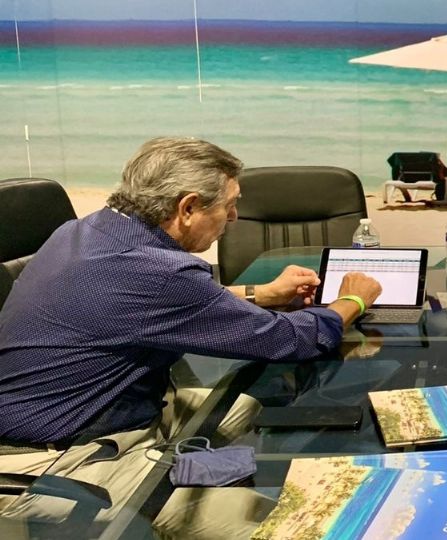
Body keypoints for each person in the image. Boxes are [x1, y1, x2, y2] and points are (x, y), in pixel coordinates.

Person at [0, 137, 382, 534]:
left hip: (81, 416)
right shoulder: (157, 272)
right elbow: (291, 339)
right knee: (281, 524)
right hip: (56, 462)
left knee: (245, 409)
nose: (234, 216)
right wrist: (352, 300)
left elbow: (148, 301)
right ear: (188, 208)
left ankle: (215, 483)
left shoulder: (86, 231)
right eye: (228, 205)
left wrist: (262, 294)